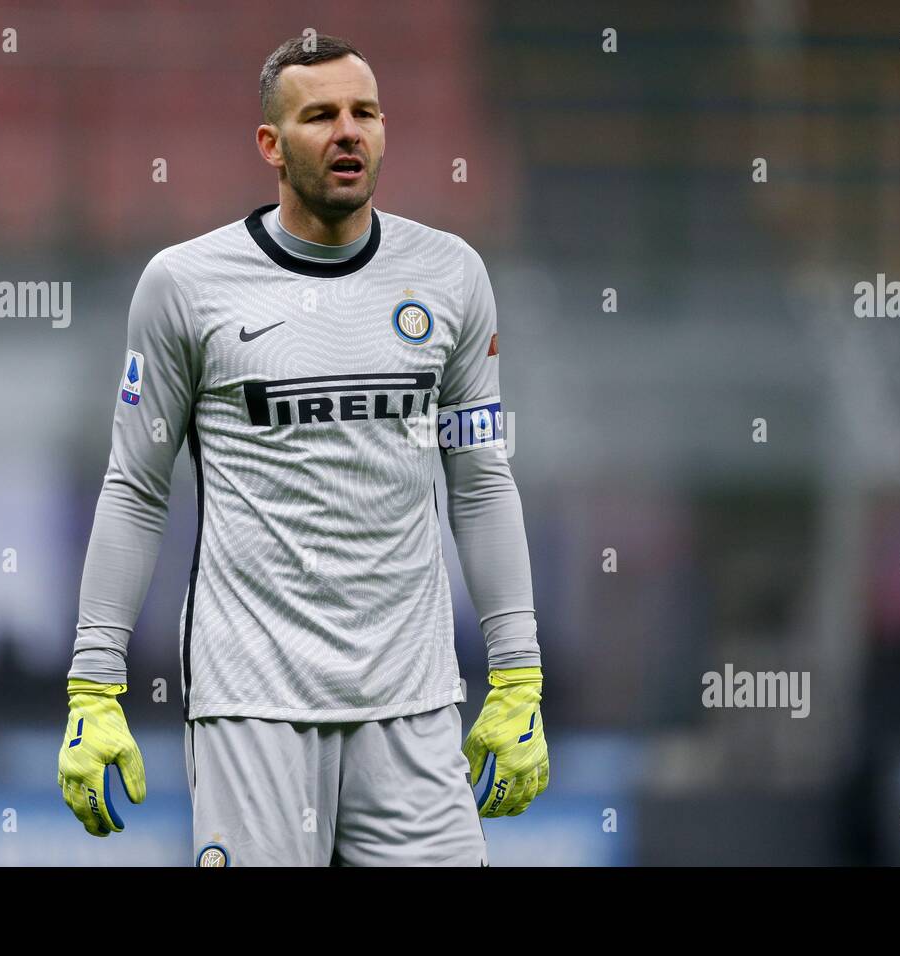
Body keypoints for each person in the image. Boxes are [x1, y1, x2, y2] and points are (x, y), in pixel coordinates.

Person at [56, 33, 547, 866]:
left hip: (415, 706)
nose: (348, 131)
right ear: (271, 145)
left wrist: (518, 674)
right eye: (320, 115)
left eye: (366, 112)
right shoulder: (185, 286)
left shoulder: (453, 276)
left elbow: (480, 481)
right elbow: (136, 488)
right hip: (252, 704)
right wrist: (93, 683)